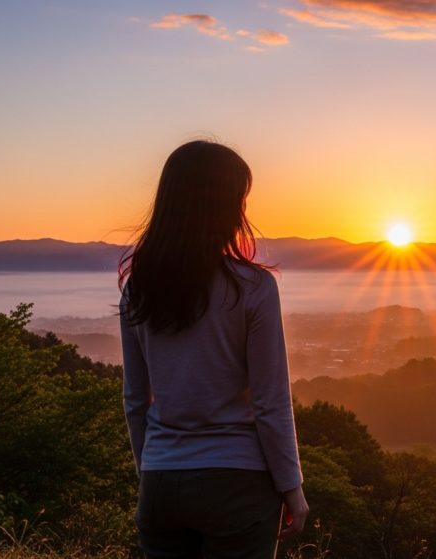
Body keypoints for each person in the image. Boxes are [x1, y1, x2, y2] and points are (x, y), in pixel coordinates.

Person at [118, 140, 309, 558]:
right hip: (237, 482)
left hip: (160, 484)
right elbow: (270, 401)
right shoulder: (253, 288)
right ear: (225, 206)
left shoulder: (139, 288)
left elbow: (135, 398)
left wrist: (151, 471)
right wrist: (291, 487)